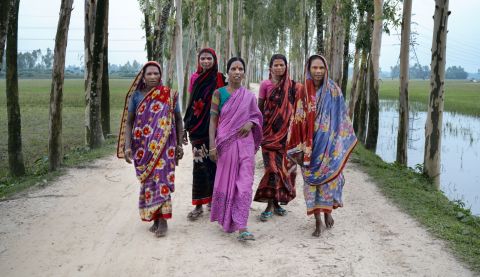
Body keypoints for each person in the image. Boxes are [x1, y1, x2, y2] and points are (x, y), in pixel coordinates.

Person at [287, 54, 357, 237]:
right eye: (314, 68)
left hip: (329, 146)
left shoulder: (334, 91)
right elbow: (297, 119)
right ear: (308, 69)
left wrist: (340, 143)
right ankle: (317, 220)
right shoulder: (302, 91)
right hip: (309, 147)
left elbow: (342, 117)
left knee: (328, 182)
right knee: (311, 184)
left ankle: (327, 213)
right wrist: (298, 146)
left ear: (326, 69)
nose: (318, 72)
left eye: (321, 68)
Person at [117, 61, 184, 238]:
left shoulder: (169, 95)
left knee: (161, 179)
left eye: (156, 73)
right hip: (143, 146)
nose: (153, 77)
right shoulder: (137, 97)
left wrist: (178, 145)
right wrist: (128, 145)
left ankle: (163, 221)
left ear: (160, 75)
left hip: (165, 146)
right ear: (143, 77)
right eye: (149, 74)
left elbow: (178, 119)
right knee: (149, 181)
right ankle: (155, 217)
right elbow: (129, 121)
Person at [208, 57, 263, 241]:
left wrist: (250, 123)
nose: (237, 72)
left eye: (240, 69)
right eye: (234, 68)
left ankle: (242, 225)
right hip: (226, 144)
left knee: (245, 183)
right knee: (228, 182)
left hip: (245, 144)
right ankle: (227, 218)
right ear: (227, 72)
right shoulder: (218, 94)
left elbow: (257, 116)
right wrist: (212, 146)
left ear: (244, 72)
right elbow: (213, 121)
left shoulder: (248, 96)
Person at [253, 54, 301, 221]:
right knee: (271, 170)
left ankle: (276, 203)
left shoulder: (293, 87)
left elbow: (305, 99)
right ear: (270, 67)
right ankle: (269, 205)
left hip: (285, 136)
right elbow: (259, 110)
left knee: (281, 171)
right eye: (276, 65)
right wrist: (257, 133)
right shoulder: (265, 85)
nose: (279, 68)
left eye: (282, 65)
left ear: (286, 67)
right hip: (267, 135)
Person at [183, 48, 225, 221]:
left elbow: (225, 102)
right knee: (199, 165)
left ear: (215, 60)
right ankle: (199, 205)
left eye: (209, 58)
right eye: (203, 58)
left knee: (215, 165)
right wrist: (187, 125)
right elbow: (191, 101)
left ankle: (214, 202)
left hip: (216, 128)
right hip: (198, 130)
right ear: (198, 60)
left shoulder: (220, 78)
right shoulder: (194, 78)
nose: (206, 61)